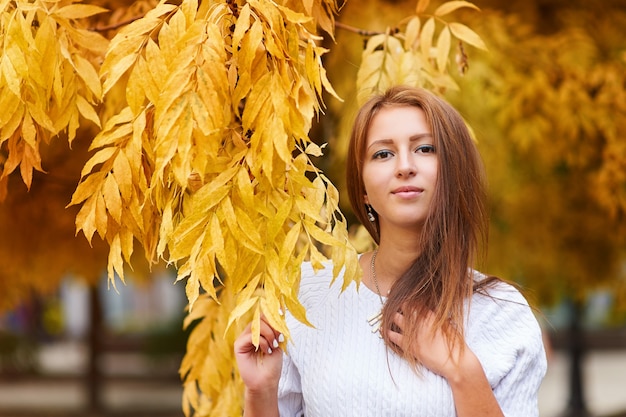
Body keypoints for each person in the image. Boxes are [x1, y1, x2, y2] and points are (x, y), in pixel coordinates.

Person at [234, 85, 547, 417]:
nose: (404, 166)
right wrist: (261, 391)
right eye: (383, 154)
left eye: (425, 148)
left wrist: (462, 371)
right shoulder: (309, 293)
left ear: (454, 171)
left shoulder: (500, 312)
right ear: (365, 189)